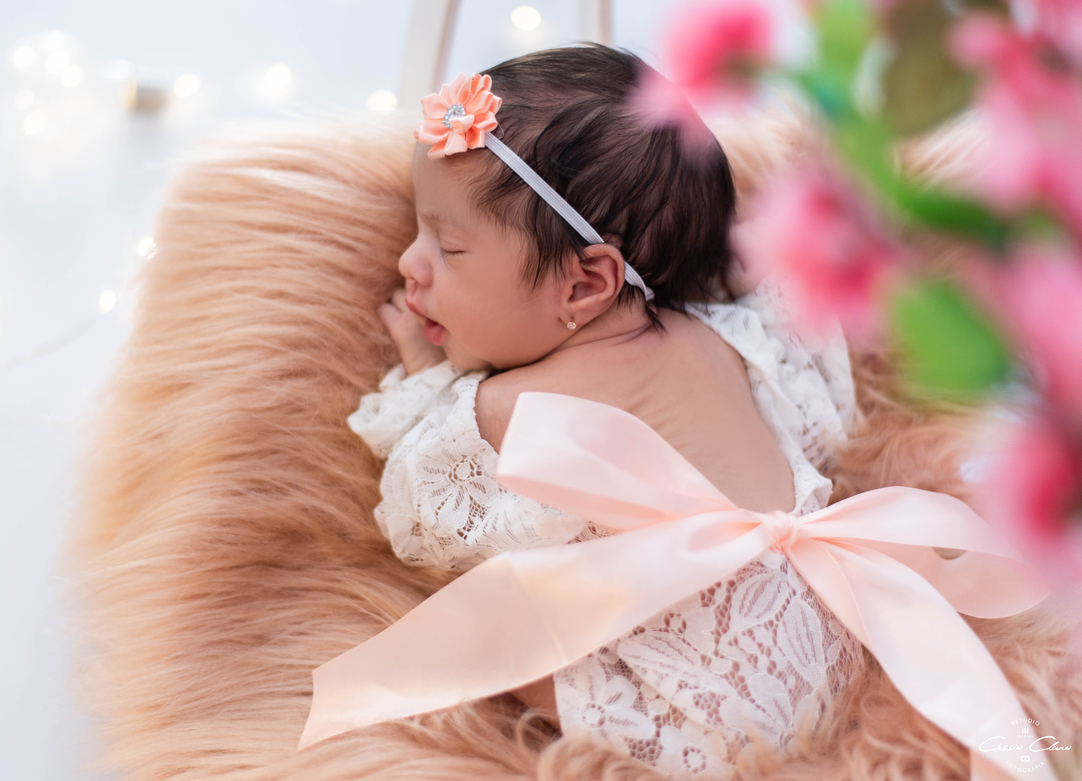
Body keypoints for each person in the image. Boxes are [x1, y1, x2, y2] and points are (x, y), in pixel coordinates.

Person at [346, 45, 864, 779]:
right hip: (827, 634)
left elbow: (422, 512)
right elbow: (815, 402)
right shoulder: (723, 338)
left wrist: (427, 378)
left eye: (449, 246)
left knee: (495, 613)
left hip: (699, 719)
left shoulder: (512, 409)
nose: (410, 262)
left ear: (586, 284)